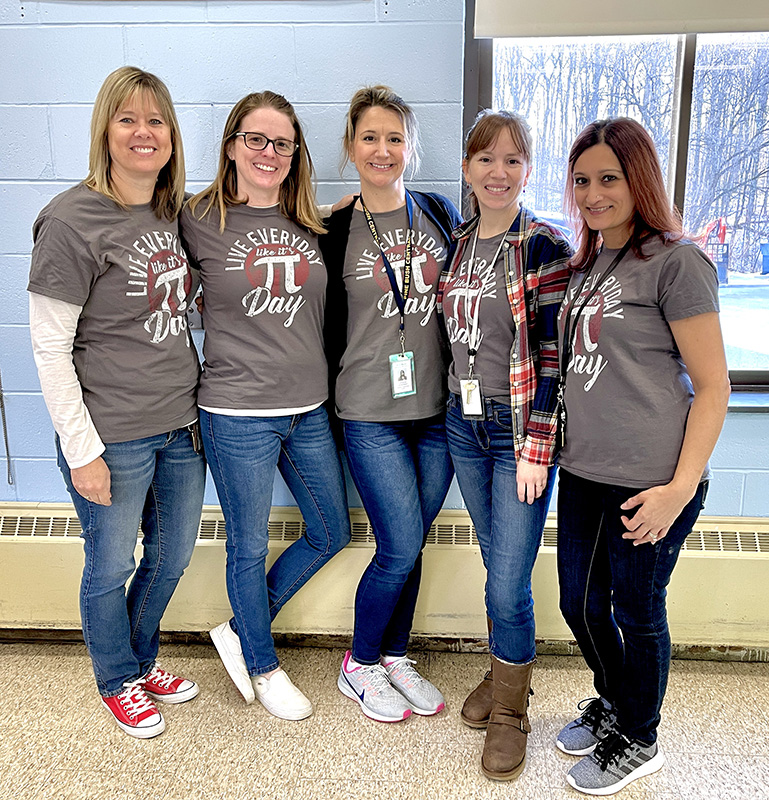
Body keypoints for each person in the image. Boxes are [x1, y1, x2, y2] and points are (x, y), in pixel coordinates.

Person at [28, 67, 205, 739]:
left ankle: (139, 659)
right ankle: (115, 679)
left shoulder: (167, 211)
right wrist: (82, 450)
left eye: (156, 121)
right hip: (112, 437)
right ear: (105, 129)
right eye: (128, 119)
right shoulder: (71, 221)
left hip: (180, 428)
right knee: (111, 564)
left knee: (171, 557)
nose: (143, 132)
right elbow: (49, 348)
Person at [555, 117, 730, 796]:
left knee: (634, 609)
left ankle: (641, 736)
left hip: (650, 480)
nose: (593, 193)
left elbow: (712, 388)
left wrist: (678, 488)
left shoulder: (677, 261)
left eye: (609, 178)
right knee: (578, 603)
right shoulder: (592, 260)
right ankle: (615, 703)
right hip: (584, 472)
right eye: (582, 181)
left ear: (639, 180)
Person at [181, 91, 351, 721]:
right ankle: (262, 662)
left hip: (309, 409)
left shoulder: (313, 222)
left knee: (331, 528)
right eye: (256, 139)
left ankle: (238, 629)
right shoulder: (196, 217)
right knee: (247, 546)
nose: (269, 153)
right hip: (235, 413)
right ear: (231, 145)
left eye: (282, 143)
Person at [320, 86, 462, 723]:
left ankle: (395, 654)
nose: (383, 150)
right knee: (398, 544)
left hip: (435, 412)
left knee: (416, 541)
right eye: (370, 137)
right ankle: (360, 662)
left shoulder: (437, 212)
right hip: (369, 412)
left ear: (410, 147)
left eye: (395, 138)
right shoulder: (330, 229)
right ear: (351, 146)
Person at [439, 110, 571, 780]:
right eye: (485, 159)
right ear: (467, 168)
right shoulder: (456, 242)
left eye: (512, 160)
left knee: (507, 579)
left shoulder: (543, 244)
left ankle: (509, 712)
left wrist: (534, 445)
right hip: (462, 426)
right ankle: (504, 678)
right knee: (498, 567)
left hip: (516, 430)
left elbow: (553, 355)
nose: (498, 172)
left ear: (527, 170)